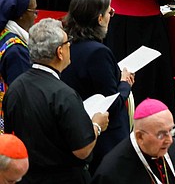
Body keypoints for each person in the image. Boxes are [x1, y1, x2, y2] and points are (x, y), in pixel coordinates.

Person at [6, 18, 110, 182]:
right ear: (59, 52)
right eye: (68, 42)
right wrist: (96, 125)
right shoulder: (64, 95)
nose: (70, 46)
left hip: (28, 177)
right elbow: (82, 150)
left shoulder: (15, 87)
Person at [58, 0, 132, 173]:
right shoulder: (98, 52)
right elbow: (110, 102)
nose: (111, 16)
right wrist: (124, 84)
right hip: (105, 138)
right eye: (110, 12)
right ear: (99, 19)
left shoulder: (66, 44)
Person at [92, 98, 175, 184]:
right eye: (161, 134)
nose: (170, 140)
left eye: (171, 131)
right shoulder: (111, 172)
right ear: (140, 137)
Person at [0, 0, 35, 123]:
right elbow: (21, 96)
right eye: (33, 12)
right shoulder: (16, 50)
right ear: (21, 14)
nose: (36, 17)